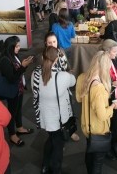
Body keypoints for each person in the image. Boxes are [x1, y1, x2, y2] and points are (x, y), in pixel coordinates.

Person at [76, 51, 117, 174]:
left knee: (89, 152)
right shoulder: (99, 88)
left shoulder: (82, 77)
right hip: (98, 129)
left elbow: (79, 98)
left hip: (86, 126)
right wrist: (114, 105)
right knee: (97, 163)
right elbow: (102, 115)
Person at [33, 46, 76, 174]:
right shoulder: (63, 76)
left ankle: (45, 166)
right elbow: (73, 81)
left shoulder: (35, 75)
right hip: (59, 119)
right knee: (58, 145)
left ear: (42, 57)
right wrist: (66, 68)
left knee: (51, 139)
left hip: (45, 117)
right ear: (57, 59)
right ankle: (55, 169)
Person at [0, 36, 35, 147]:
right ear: (11, 47)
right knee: (12, 112)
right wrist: (23, 67)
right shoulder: (5, 60)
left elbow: (18, 71)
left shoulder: (13, 55)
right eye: (17, 46)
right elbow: (12, 78)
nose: (19, 48)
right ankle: (12, 134)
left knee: (18, 109)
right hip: (12, 90)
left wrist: (24, 65)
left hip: (18, 89)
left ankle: (19, 128)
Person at [100, 39, 117, 161]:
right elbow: (99, 85)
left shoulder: (114, 60)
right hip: (106, 100)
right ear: (106, 52)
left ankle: (114, 146)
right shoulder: (100, 65)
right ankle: (106, 148)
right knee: (107, 125)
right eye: (115, 51)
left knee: (114, 124)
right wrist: (113, 84)